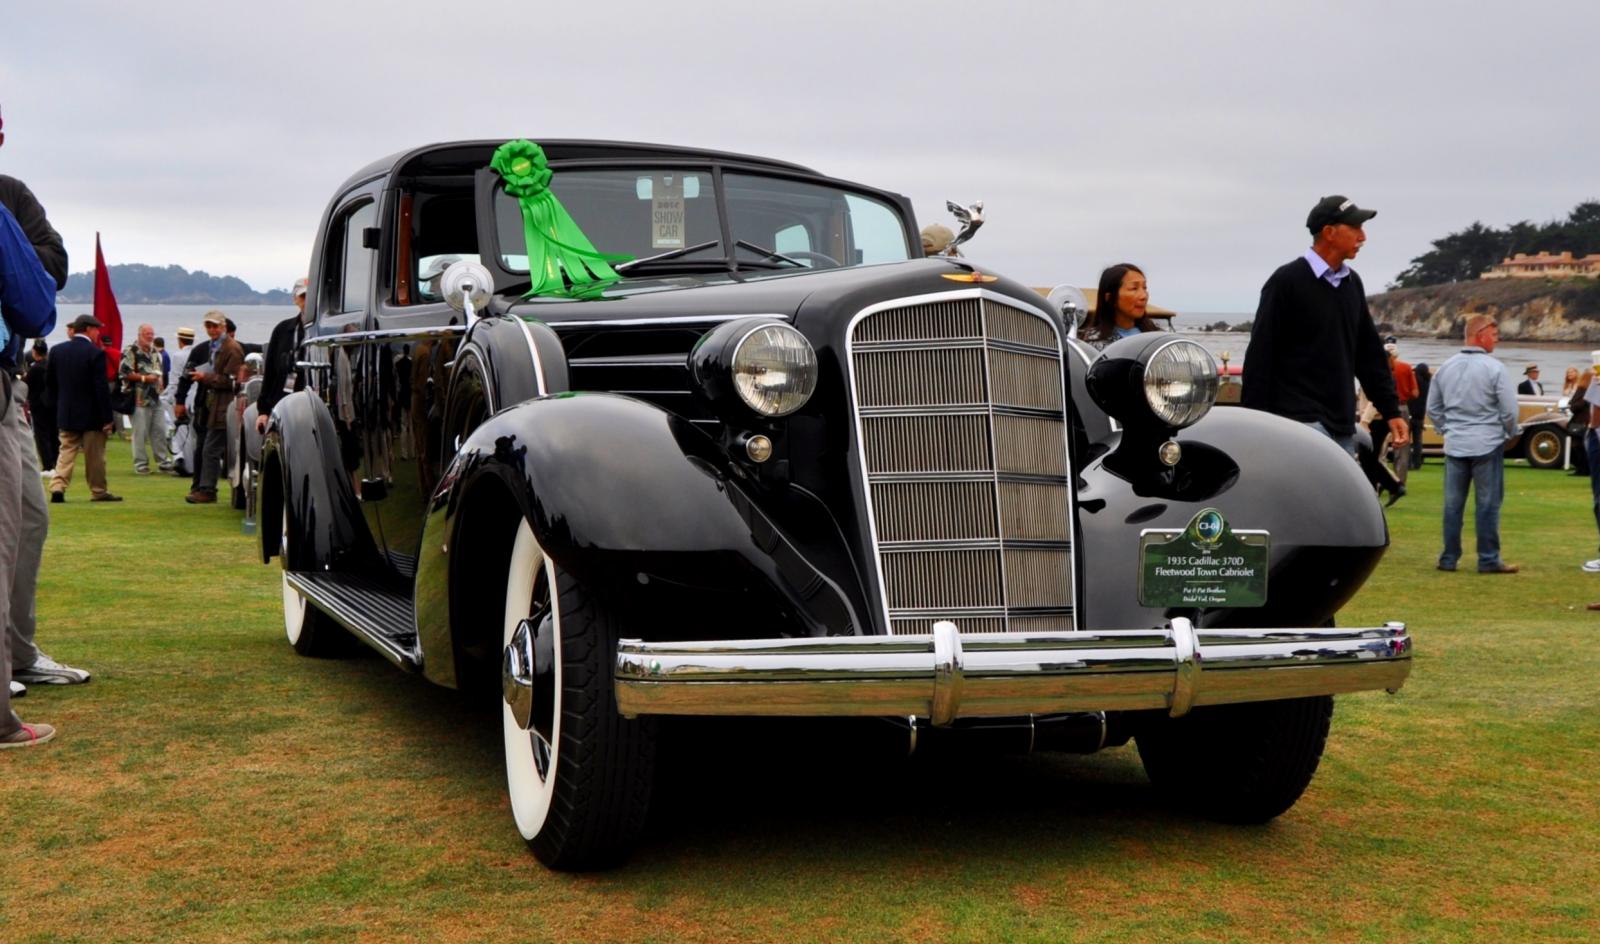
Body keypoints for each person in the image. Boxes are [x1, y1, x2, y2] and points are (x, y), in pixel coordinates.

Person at [1242, 195, 1408, 457]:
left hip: (1341, 425)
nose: (1362, 236)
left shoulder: (1352, 283)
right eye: (1355, 228)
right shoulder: (1286, 281)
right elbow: (1261, 355)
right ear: (1329, 232)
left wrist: (1391, 411)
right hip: (1297, 422)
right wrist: (1254, 424)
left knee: (1339, 498)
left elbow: (1368, 354)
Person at [0, 101, 67, 746]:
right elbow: (35, 292)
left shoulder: (11, 195)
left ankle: (18, 655)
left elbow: (52, 264)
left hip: (8, 385)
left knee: (29, 516)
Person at [1427, 313, 1519, 574]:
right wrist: (1509, 432)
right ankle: (1488, 559)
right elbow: (1510, 410)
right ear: (1480, 335)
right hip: (1487, 443)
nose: (1496, 340)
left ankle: (1449, 557)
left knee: (1453, 505)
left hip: (1456, 442)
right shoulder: (1495, 368)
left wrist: (1447, 428)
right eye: (1494, 334)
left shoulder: (1446, 367)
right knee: (1488, 504)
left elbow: (1433, 407)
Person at [46, 313, 120, 502]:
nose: (98, 333)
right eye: (96, 329)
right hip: (92, 414)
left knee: (66, 452)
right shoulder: (95, 353)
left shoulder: (56, 351)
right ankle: (98, 490)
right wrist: (107, 417)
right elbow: (100, 387)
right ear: (88, 329)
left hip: (67, 411)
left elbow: (51, 384)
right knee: (94, 456)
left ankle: (58, 486)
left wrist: (56, 407)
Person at [186, 310, 242, 504]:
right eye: (208, 326)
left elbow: (231, 381)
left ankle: (208, 490)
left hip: (224, 406)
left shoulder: (232, 348)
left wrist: (205, 377)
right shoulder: (214, 346)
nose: (211, 329)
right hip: (214, 405)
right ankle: (204, 488)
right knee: (207, 448)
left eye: (215, 326)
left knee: (210, 450)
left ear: (223, 326)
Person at [257, 277, 308, 435]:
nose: (309, 301)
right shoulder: (282, 330)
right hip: (285, 405)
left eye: (313, 295)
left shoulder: (328, 331)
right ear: (295, 299)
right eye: (304, 296)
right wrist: (263, 411)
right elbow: (270, 372)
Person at [120, 322, 170, 474]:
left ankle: (163, 462)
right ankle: (141, 465)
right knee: (140, 433)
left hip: (155, 397)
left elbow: (159, 371)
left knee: (160, 431)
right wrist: (144, 378)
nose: (150, 337)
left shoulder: (156, 353)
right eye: (147, 334)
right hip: (139, 398)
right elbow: (124, 373)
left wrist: (160, 382)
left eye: (151, 334)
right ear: (139, 335)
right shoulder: (131, 351)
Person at [1080, 263, 1163, 349]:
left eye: (1144, 288)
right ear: (1110, 297)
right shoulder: (1093, 342)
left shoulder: (1158, 336)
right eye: (1134, 288)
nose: (1143, 296)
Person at [1377, 342, 1420, 496]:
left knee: (1379, 448)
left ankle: (1379, 480)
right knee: (1402, 447)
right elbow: (1415, 393)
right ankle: (1398, 482)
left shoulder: (1378, 368)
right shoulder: (1406, 368)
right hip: (1400, 407)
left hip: (1379, 409)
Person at [24, 337, 55, 470]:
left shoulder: (35, 369)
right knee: (53, 433)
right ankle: (56, 461)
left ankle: (47, 465)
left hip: (38, 405)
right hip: (52, 404)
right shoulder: (50, 366)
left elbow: (26, 384)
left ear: (34, 352)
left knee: (42, 436)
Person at [1410, 362, 1431, 470]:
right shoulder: (1428, 383)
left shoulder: (1413, 381)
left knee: (1406, 441)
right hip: (1420, 414)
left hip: (1410, 413)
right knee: (1418, 441)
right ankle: (1417, 463)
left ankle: (1408, 463)